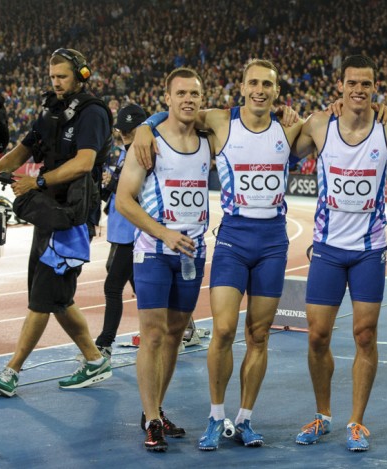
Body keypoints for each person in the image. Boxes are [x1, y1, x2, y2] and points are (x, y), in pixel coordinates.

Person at [132, 59, 304, 451]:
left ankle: (244, 419)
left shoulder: (291, 128)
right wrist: (144, 125)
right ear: (241, 87)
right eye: (253, 83)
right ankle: (215, 416)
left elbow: (335, 128)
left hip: (274, 243)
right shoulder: (222, 122)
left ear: (277, 91)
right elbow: (177, 110)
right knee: (224, 329)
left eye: (267, 84)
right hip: (233, 240)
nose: (260, 90)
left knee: (259, 335)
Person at [291, 55, 387, 452]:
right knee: (317, 336)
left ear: (374, 87)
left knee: (365, 335)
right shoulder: (318, 125)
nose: (359, 90)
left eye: (366, 84)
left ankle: (357, 421)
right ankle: (323, 414)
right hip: (328, 250)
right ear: (341, 85)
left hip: (368, 251)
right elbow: (283, 148)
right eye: (352, 83)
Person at [0, 48, 112, 397]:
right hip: (48, 213)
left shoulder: (92, 113)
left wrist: (38, 182)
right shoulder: (50, 110)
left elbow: (85, 163)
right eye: (52, 77)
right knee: (56, 298)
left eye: (62, 76)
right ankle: (93, 359)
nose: (56, 83)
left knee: (43, 297)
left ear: (81, 75)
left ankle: (12, 372)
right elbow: (22, 151)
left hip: (72, 219)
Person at [116, 67, 211, 452]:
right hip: (154, 253)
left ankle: (155, 408)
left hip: (192, 255)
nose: (188, 99)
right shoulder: (148, 143)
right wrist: (164, 233)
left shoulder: (210, 140)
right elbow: (124, 200)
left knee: (175, 336)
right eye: (181, 93)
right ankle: (152, 421)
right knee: (152, 334)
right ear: (167, 98)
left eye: (195, 94)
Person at [94, 104, 148, 359]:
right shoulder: (126, 153)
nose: (124, 134)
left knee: (112, 286)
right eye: (122, 130)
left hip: (133, 233)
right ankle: (184, 328)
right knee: (138, 283)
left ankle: (104, 343)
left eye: (130, 130)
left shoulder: (145, 154)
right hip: (121, 230)